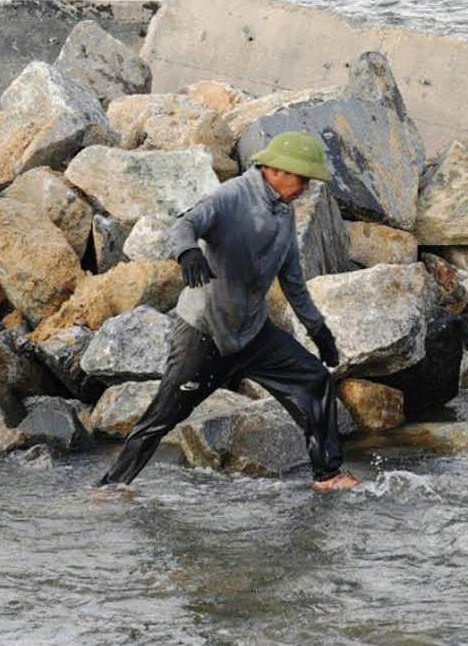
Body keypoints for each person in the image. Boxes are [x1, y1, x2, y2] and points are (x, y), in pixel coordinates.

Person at [97, 132, 359, 492]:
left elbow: (294, 285)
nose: (305, 187)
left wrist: (320, 333)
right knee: (162, 417)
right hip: (205, 334)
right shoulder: (232, 195)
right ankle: (110, 487)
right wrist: (188, 252)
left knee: (315, 380)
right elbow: (184, 225)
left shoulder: (284, 217)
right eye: (303, 178)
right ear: (276, 170)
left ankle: (328, 475)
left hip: (253, 333)